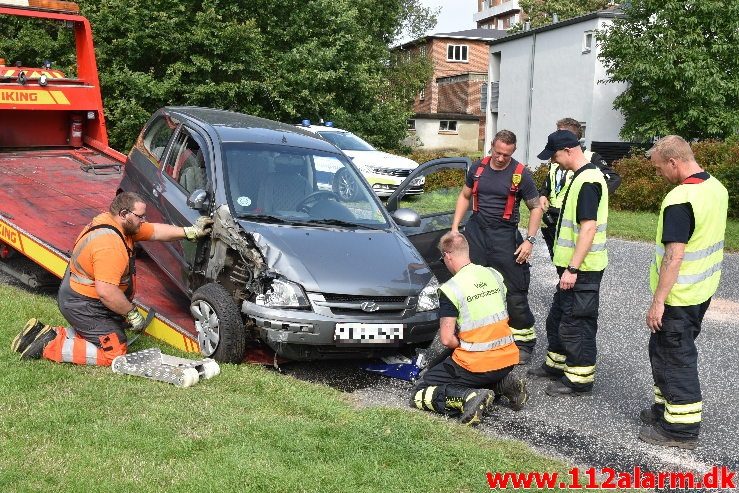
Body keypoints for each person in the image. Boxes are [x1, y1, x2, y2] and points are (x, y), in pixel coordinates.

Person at [12, 192, 213, 365]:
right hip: (83, 304)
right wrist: (132, 313)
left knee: (112, 332)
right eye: (140, 216)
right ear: (124, 214)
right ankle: (47, 345)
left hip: (83, 298)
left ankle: (46, 333)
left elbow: (155, 231)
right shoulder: (109, 244)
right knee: (115, 351)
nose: (144, 220)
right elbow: (107, 292)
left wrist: (190, 232)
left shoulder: (116, 223)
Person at [638, 136, 727, 450]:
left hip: (679, 295)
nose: (660, 174)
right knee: (662, 351)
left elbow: (674, 255)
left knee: (676, 357)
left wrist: (658, 301)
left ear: (674, 162)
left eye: (661, 168)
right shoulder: (715, 188)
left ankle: (680, 430)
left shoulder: (681, 198)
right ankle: (666, 410)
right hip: (701, 292)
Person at [410, 232, 528, 425]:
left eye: (443, 259)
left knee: (421, 389)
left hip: (477, 364)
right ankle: (505, 383)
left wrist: (464, 343)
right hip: (507, 359)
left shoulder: (451, 288)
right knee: (470, 370)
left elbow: (447, 340)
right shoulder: (493, 275)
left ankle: (469, 397)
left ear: (448, 256)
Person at [451, 129, 543, 364]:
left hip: (505, 235)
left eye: (507, 154)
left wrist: (529, 241)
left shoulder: (521, 174)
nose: (501, 158)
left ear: (513, 151)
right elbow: (464, 196)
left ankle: (523, 342)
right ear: (492, 145)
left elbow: (535, 208)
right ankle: (474, 337)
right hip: (477, 232)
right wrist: (454, 229)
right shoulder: (477, 168)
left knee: (514, 289)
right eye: (498, 152)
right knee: (473, 285)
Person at [527, 130, 608, 397]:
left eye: (555, 156)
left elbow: (588, 228)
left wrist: (573, 268)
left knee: (578, 323)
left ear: (570, 151)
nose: (554, 161)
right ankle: (556, 365)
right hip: (571, 268)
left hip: (582, 270)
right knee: (559, 317)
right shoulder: (580, 177)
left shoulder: (588, 181)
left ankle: (578, 379)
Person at [539, 118, 621, 259]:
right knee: (559, 259)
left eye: (560, 132)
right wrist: (543, 193)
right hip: (553, 216)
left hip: (575, 216)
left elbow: (613, 178)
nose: (556, 136)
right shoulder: (557, 156)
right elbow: (551, 178)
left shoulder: (590, 157)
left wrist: (591, 199)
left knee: (573, 261)